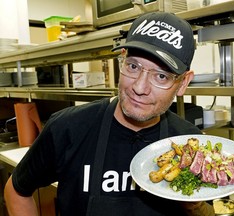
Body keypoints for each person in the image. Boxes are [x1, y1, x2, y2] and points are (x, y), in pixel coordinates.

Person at [4, 12, 215, 216]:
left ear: (183, 83)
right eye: (133, 66)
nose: (140, 87)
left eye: (161, 76)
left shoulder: (188, 143)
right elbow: (16, 191)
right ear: (122, 60)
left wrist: (192, 203)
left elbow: (208, 212)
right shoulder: (68, 127)